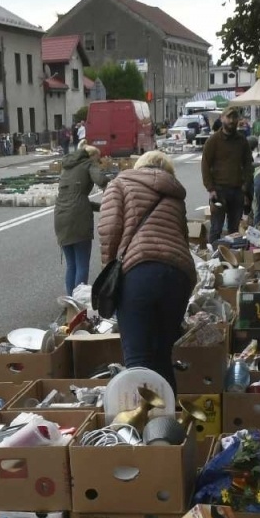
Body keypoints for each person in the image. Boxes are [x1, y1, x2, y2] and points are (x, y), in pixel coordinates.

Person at [98, 150, 192, 391]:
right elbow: (182, 236)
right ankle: (169, 424)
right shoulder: (175, 194)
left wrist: (110, 269)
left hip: (140, 272)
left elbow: (109, 230)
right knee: (162, 355)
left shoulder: (119, 184)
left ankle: (141, 426)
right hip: (179, 275)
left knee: (137, 359)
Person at [53, 142, 109, 295]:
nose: (98, 162)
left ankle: (70, 300)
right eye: (97, 159)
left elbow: (75, 198)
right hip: (78, 219)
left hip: (60, 216)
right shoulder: (88, 163)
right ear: (91, 156)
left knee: (71, 264)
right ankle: (79, 302)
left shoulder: (67, 166)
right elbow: (102, 180)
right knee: (82, 264)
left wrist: (100, 207)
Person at [201, 106, 254, 241]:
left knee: (234, 230)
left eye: (234, 117)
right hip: (219, 190)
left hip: (237, 190)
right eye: (229, 117)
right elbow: (205, 165)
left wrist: (245, 185)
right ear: (222, 118)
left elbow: (248, 164)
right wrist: (210, 189)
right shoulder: (213, 141)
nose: (231, 120)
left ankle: (232, 256)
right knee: (216, 228)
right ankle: (213, 257)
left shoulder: (242, 141)